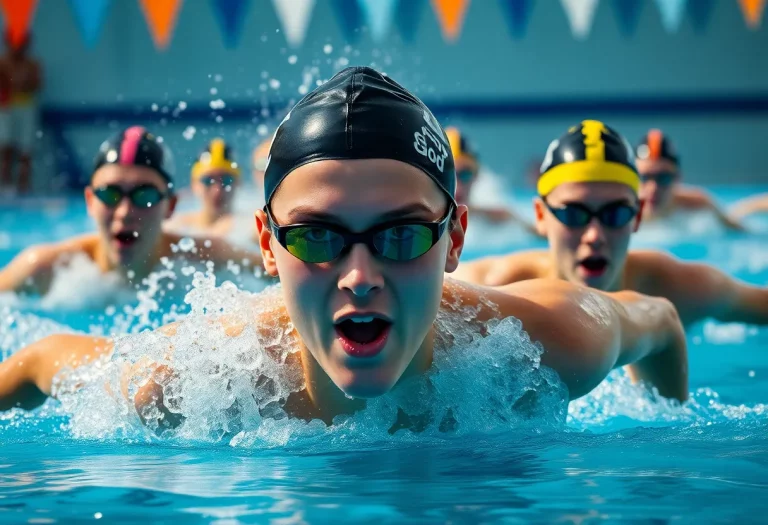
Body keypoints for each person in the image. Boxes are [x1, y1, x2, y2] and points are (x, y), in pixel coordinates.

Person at [0, 69, 687, 424]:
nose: (360, 276)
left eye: (400, 233)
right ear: (268, 244)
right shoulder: (201, 383)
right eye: (318, 236)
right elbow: (35, 362)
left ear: (455, 239)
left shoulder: (543, 346)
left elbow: (660, 324)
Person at [453, 120, 768, 328]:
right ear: (540, 217)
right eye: (574, 214)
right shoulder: (497, 289)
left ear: (638, 216)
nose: (594, 236)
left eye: (615, 214)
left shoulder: (679, 289)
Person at [0, 126, 263, 296]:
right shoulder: (44, 270)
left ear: (170, 206)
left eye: (145, 195)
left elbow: (279, 278)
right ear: (90, 201)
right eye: (110, 195)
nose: (125, 212)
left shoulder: (207, 258)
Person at [635, 129, 745, 231]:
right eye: (644, 177)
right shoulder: (625, 211)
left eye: (663, 178)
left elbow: (739, 231)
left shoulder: (699, 204)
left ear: (678, 178)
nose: (653, 187)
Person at [446, 126, 535, 231]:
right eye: (450, 175)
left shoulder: (493, 215)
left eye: (465, 175)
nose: (458, 186)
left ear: (476, 176)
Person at [164, 138, 242, 238]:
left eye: (226, 180)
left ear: (238, 182)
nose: (217, 190)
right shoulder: (176, 227)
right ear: (194, 184)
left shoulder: (249, 226)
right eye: (207, 181)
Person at [0, 31, 42, 194]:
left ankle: (24, 187)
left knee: (25, 150)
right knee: (6, 149)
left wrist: (19, 82)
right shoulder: (3, 63)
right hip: (6, 109)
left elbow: (37, 85)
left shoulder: (32, 65)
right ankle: (5, 186)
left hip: (26, 108)